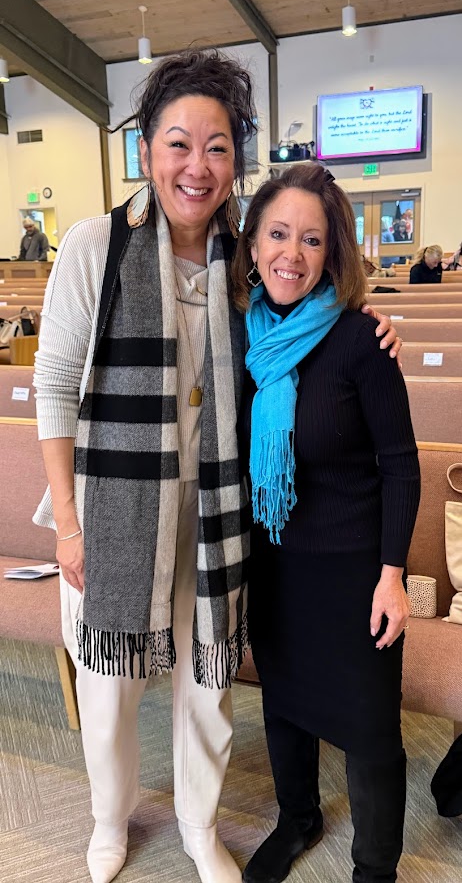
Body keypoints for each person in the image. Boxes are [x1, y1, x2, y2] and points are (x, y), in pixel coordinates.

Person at [32, 50, 401, 883]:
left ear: (237, 159)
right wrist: (68, 521)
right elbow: (53, 386)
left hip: (217, 508)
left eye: (217, 147)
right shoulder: (97, 245)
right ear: (146, 151)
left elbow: (311, 316)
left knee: (209, 681)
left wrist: (377, 322)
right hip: (115, 506)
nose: (196, 166)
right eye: (177, 144)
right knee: (109, 684)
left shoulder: (244, 260)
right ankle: (109, 820)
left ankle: (199, 825)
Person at [233, 163, 420, 883]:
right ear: (254, 244)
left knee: (371, 729)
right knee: (283, 704)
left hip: (352, 572)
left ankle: (375, 869)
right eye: (278, 234)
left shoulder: (361, 339)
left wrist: (392, 576)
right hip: (274, 561)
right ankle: (298, 819)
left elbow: (400, 466)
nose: (292, 253)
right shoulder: (243, 339)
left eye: (311, 240)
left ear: (331, 252)